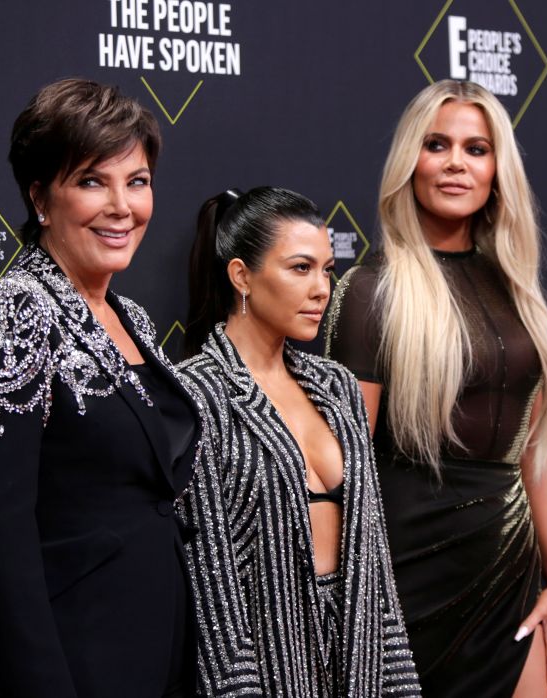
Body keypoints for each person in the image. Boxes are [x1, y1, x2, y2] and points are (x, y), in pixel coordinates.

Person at [0, 78, 200, 697]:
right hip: (78, 655)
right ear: (40, 196)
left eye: (136, 181)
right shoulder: (9, 313)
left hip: (161, 643)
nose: (123, 206)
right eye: (92, 180)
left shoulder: (131, 317)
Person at [325, 80, 547, 698]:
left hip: (509, 572)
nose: (457, 162)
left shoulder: (518, 291)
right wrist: (346, 610)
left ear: (498, 169)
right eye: (437, 145)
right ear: (411, 161)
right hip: (404, 580)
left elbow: (532, 453)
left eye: (476, 148)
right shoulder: (369, 291)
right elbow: (343, 468)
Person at [178, 186, 421, 697]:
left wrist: (399, 684)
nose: (321, 289)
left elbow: (373, 562)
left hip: (360, 656)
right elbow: (212, 583)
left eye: (327, 270)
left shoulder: (337, 388)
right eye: (300, 268)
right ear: (242, 275)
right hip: (267, 664)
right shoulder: (195, 393)